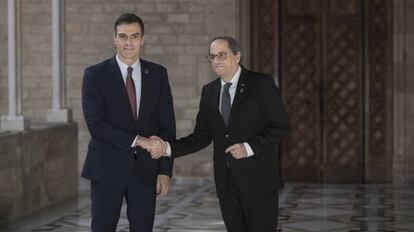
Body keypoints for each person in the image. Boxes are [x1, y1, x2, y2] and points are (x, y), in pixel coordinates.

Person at [144, 36, 289, 232]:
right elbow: (201, 136)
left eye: (222, 55)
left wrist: (248, 148)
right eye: (212, 57)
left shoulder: (261, 84)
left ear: (237, 56)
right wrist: (167, 148)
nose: (216, 61)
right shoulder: (209, 92)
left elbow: (281, 126)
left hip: (259, 182)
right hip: (226, 183)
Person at [81, 13, 175, 232]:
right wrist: (139, 140)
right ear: (114, 38)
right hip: (106, 167)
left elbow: (167, 125)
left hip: (146, 170)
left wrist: (165, 170)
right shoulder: (95, 75)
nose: (128, 42)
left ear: (142, 39)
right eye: (122, 36)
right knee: (103, 227)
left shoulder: (158, 74)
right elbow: (96, 125)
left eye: (134, 36)